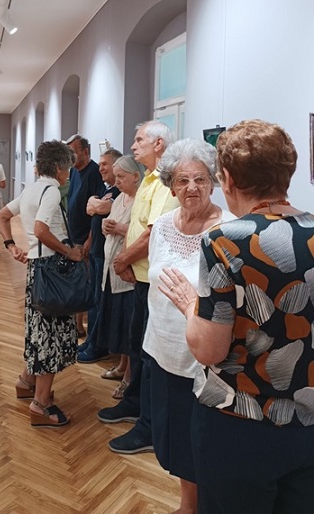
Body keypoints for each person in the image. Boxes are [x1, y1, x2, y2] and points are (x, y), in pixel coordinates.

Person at [160, 119, 314, 513]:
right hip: (306, 421)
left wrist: (190, 305)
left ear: (226, 179)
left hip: (239, 423)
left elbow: (209, 350)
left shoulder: (226, 240)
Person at [143, 139, 235, 514]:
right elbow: (153, 280)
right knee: (175, 438)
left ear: (213, 182)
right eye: (182, 180)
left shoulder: (230, 230)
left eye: (200, 179)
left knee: (206, 442)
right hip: (161, 348)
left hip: (205, 359)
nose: (192, 188)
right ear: (171, 186)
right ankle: (188, 505)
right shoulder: (163, 225)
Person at [97, 120, 178, 456]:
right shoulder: (148, 178)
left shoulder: (166, 182)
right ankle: (134, 403)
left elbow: (153, 232)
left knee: (150, 355)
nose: (133, 146)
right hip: (139, 278)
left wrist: (122, 260)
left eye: (139, 139)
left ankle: (149, 426)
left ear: (158, 144)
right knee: (136, 347)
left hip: (153, 281)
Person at [0, 140, 83, 428]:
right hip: (52, 269)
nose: (68, 174)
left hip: (37, 268)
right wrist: (69, 252)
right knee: (51, 335)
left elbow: (1, 216)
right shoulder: (52, 191)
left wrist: (11, 246)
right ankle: (41, 403)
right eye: (67, 169)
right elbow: (41, 230)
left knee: (38, 327)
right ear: (58, 168)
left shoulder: (31, 189)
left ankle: (26, 381)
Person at [97, 155, 145, 399]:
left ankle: (129, 377)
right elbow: (109, 225)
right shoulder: (119, 199)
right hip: (111, 270)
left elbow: (142, 233)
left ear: (136, 176)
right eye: (115, 177)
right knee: (119, 324)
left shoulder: (142, 201)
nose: (116, 182)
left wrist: (117, 228)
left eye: (121, 177)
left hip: (128, 274)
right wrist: (106, 226)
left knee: (129, 328)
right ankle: (122, 365)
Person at [78, 148, 123, 363]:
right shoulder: (106, 189)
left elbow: (101, 207)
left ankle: (98, 345)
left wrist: (96, 205)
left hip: (108, 254)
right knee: (94, 299)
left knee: (100, 301)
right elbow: (90, 208)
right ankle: (91, 340)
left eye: (105, 164)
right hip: (97, 251)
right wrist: (96, 206)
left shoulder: (119, 193)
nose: (100, 168)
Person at [65, 134, 104, 338]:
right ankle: (76, 323)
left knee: (83, 283)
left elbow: (97, 211)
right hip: (73, 235)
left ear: (85, 152)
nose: (70, 157)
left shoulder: (94, 173)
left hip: (85, 238)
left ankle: (80, 326)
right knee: (75, 282)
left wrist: (90, 238)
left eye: (73, 152)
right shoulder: (74, 171)